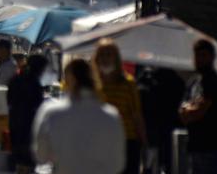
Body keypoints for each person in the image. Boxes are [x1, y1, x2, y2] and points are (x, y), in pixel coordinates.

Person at [33, 60, 124, 174]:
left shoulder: (51, 113)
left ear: (70, 79)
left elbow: (41, 156)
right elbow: (117, 164)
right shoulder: (111, 116)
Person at [93, 39, 147, 174]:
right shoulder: (93, 85)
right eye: (102, 54)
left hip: (127, 141)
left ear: (116, 58)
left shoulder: (128, 83)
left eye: (109, 54)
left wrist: (144, 142)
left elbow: (136, 114)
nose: (105, 58)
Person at [179, 39, 217, 174]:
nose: (199, 59)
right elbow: (182, 111)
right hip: (193, 146)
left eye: (203, 55)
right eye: (197, 55)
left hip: (210, 148)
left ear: (212, 57)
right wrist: (191, 109)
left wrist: (191, 109)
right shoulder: (193, 81)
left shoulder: (213, 82)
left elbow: (200, 111)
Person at [6, 54, 48, 174]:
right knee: (28, 157)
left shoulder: (15, 79)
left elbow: (8, 99)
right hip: (30, 123)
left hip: (15, 120)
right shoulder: (35, 83)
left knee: (17, 154)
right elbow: (38, 104)